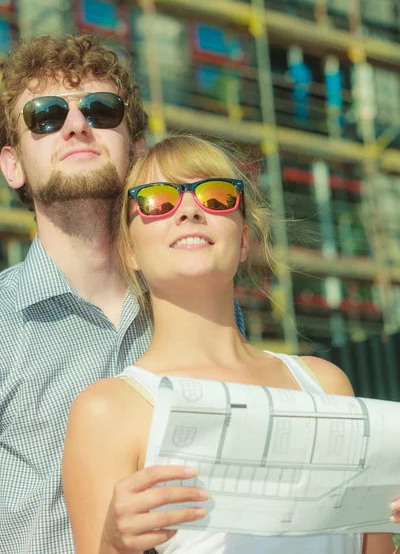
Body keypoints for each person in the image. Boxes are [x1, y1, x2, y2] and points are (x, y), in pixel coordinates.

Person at [63, 135, 399, 554]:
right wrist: (113, 544)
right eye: (156, 200)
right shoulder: (107, 411)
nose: (188, 210)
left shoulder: (327, 385)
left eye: (217, 197)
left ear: (242, 241)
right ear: (129, 250)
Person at [0, 35, 245, 554]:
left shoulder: (207, 307)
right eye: (44, 116)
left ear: (134, 148)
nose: (76, 125)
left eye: (101, 109)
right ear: (12, 165)